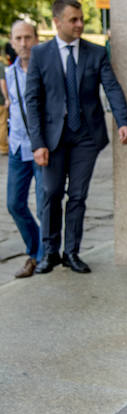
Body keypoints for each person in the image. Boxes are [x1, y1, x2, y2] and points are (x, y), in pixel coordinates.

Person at [25, 0, 127, 274]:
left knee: (77, 195)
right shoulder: (40, 54)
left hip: (86, 136)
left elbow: (111, 87)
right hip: (53, 139)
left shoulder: (95, 53)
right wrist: (38, 143)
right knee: (51, 193)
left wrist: (123, 121)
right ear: (57, 22)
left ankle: (71, 252)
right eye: (73, 20)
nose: (80, 24)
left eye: (81, 19)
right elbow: (32, 101)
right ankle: (50, 252)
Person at [5, 20, 44, 277]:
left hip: (41, 148)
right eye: (18, 38)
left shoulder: (46, 69)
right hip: (17, 147)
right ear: (12, 41)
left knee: (44, 207)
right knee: (14, 204)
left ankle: (39, 256)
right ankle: (38, 249)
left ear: (36, 39)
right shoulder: (9, 73)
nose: (23, 43)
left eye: (28, 37)